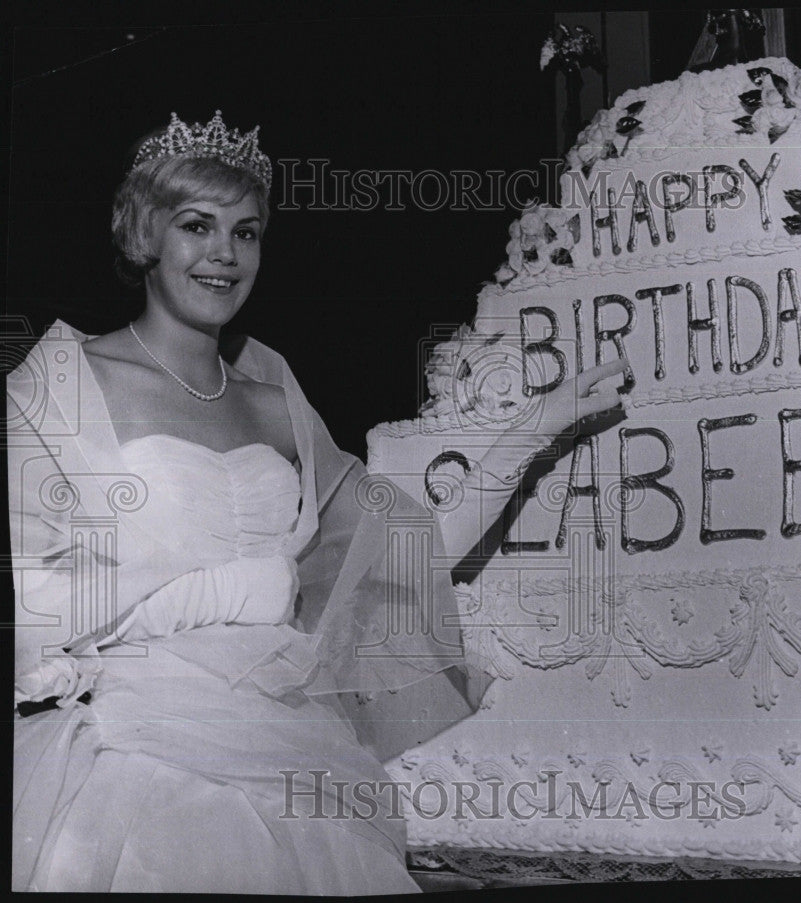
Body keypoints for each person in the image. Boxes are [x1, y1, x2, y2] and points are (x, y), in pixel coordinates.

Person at [8, 110, 626, 893]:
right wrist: (195, 598)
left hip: (292, 739)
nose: (224, 254)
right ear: (145, 235)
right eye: (197, 225)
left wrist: (527, 434)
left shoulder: (275, 400)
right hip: (134, 744)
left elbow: (405, 550)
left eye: (248, 232)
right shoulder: (65, 383)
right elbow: (25, 593)